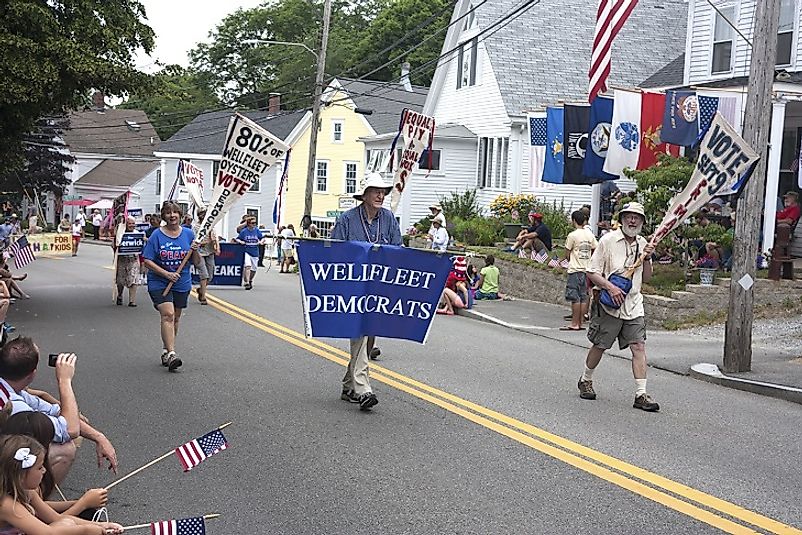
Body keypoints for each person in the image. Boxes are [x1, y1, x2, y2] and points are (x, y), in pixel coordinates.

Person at [577, 201, 659, 412]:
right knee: (601, 345)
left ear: (642, 221)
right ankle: (586, 379)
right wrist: (610, 287)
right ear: (622, 219)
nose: (632, 220)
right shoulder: (608, 241)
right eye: (629, 216)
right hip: (610, 304)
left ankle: (641, 394)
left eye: (637, 217)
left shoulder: (643, 243)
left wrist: (648, 258)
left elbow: (648, 278)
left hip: (633, 304)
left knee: (638, 346)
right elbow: (591, 271)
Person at [0, 339, 118, 484]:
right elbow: (69, 429)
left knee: (72, 423)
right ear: (32, 374)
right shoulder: (12, 403)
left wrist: (99, 437)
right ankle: (30, 501)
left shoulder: (10, 389)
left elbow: (54, 411)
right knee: (65, 449)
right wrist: (64, 380)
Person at [331, 172, 402, 411]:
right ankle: (363, 389)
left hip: (376, 288)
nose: (381, 194)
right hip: (353, 287)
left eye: (383, 191)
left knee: (366, 334)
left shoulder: (389, 219)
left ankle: (349, 386)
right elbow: (336, 253)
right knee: (359, 333)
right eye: (375, 190)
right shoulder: (347, 220)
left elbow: (397, 251)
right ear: (364, 194)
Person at [0, 435, 123, 535]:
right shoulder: (7, 504)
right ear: (21, 475)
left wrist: (102, 525)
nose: (44, 470)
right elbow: (48, 533)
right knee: (66, 526)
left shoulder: (27, 492)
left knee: (66, 523)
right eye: (39, 467)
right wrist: (86, 530)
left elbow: (55, 518)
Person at [0, 411, 109, 515]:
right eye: (48, 442)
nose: (44, 469)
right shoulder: (9, 504)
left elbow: (40, 507)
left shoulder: (23, 488)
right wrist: (83, 504)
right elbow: (51, 526)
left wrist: (80, 503)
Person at [142, 201, 200, 372]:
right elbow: (147, 260)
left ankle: (166, 350)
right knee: (168, 314)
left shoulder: (189, 234)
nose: (172, 215)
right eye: (168, 213)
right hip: (159, 281)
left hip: (181, 281)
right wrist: (166, 274)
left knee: (175, 318)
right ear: (163, 216)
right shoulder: (156, 236)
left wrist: (195, 249)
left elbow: (196, 262)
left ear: (180, 215)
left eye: (175, 212)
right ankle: (173, 353)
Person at [562, 210, 597, 331]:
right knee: (584, 296)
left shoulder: (572, 235)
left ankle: (574, 323)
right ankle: (581, 322)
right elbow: (595, 249)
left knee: (574, 297)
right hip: (586, 270)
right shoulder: (589, 235)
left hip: (575, 269)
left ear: (574, 220)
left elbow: (567, 253)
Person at [111, 216, 139, 307]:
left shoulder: (137, 233)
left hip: (133, 259)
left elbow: (141, 246)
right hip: (122, 259)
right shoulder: (120, 234)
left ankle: (132, 301)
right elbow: (114, 245)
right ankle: (120, 295)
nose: (131, 225)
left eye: (133, 223)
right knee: (120, 281)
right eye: (129, 223)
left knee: (134, 279)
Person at [193, 207, 219, 305]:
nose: (203, 216)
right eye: (201, 214)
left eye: (205, 214)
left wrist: (217, 247)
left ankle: (201, 289)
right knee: (204, 275)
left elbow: (215, 238)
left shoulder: (211, 226)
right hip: (199, 252)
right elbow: (194, 240)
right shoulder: (196, 227)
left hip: (210, 251)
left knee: (210, 276)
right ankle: (203, 297)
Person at [235, 217, 264, 290]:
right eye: (252, 223)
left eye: (255, 223)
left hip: (255, 251)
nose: (254, 224)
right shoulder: (244, 231)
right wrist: (241, 242)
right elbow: (238, 238)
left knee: (254, 269)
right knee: (247, 266)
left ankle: (250, 280)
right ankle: (246, 282)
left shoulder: (257, 230)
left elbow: (262, 238)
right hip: (246, 250)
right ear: (248, 224)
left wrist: (261, 242)